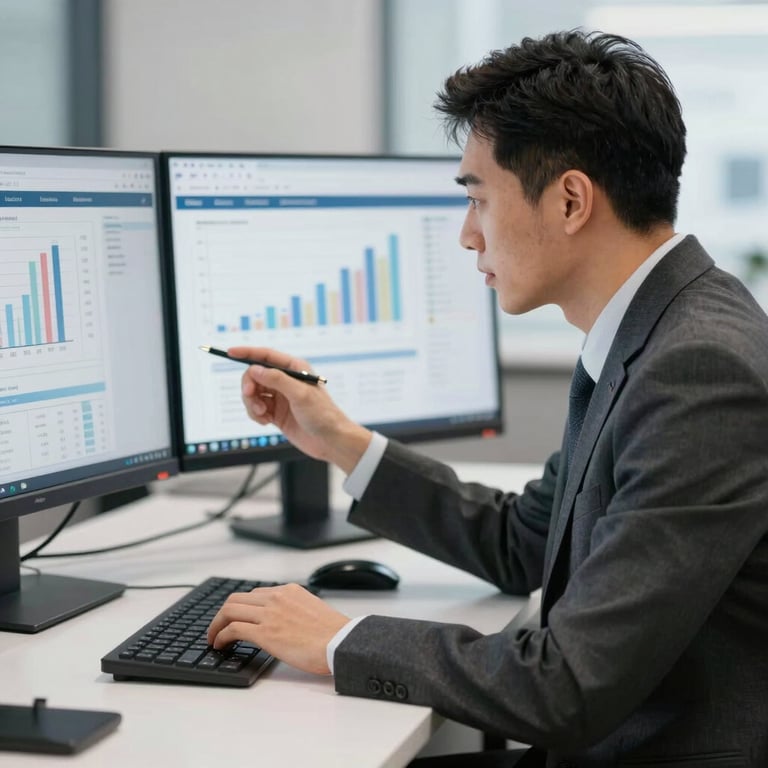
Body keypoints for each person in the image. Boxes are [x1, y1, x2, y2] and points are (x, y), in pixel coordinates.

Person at [207, 30, 768, 767]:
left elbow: (567, 686)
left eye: (478, 198)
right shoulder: (656, 329)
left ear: (570, 200)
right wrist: (339, 439)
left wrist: (337, 640)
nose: (468, 236)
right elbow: (526, 541)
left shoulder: (697, 370)